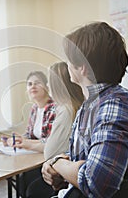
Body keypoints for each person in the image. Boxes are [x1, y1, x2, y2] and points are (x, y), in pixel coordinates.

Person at [42, 22, 128, 198]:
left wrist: (58, 164)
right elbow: (84, 154)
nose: (66, 63)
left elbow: (97, 182)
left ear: (81, 66)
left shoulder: (113, 106)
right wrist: (58, 162)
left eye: (69, 58)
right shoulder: (93, 104)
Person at [24, 62, 84, 198]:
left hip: (67, 175)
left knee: (33, 189)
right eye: (29, 84)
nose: (48, 86)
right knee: (27, 179)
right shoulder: (75, 105)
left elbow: (49, 151)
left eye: (48, 83)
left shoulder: (64, 109)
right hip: (69, 168)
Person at [1, 71, 56, 198]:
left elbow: (50, 142)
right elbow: (29, 135)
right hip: (35, 157)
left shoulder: (54, 107)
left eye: (37, 83)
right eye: (30, 84)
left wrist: (23, 143)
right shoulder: (34, 109)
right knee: (21, 182)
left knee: (31, 188)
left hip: (48, 159)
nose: (33, 86)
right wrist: (16, 139)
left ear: (46, 87)